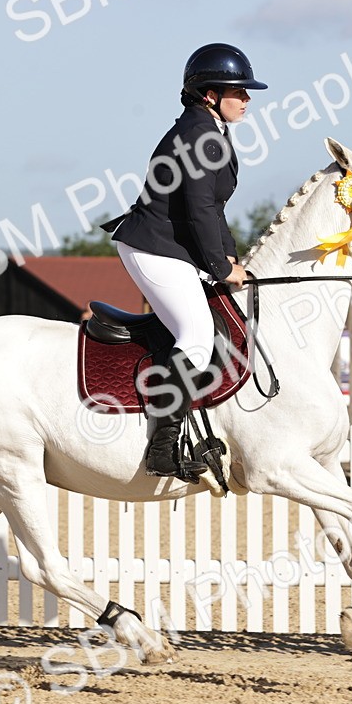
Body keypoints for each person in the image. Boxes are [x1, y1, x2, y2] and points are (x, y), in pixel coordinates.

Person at [103, 43, 265, 478]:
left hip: (170, 246)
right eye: (239, 91)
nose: (247, 98)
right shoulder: (199, 134)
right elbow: (197, 211)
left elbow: (213, 210)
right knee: (195, 338)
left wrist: (231, 257)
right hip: (154, 247)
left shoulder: (208, 129)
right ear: (209, 93)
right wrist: (219, 267)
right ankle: (161, 451)